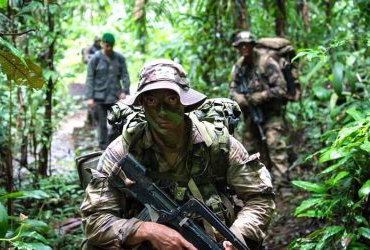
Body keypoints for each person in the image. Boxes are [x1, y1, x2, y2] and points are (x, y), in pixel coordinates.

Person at [81, 59, 275, 249]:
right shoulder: (123, 150)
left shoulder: (218, 144)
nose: (161, 111)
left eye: (171, 99)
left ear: (184, 102)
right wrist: (146, 230)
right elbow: (95, 220)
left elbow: (259, 198)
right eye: (151, 100)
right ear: (142, 104)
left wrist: (237, 237)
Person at [230, 31, 291, 182]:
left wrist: (261, 96)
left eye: (247, 45)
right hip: (251, 114)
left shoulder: (266, 62)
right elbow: (233, 89)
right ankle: (258, 183)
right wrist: (239, 98)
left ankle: (283, 185)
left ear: (253, 46)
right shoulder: (239, 66)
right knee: (249, 150)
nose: (244, 48)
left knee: (275, 146)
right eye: (241, 46)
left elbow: (281, 89)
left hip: (271, 113)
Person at [85, 32, 130, 150]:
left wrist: (124, 91)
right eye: (106, 45)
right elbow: (90, 78)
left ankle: (114, 147)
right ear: (102, 44)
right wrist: (89, 97)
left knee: (117, 123)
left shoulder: (119, 58)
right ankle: (103, 148)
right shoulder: (95, 59)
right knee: (101, 125)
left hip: (115, 96)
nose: (108, 48)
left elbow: (125, 75)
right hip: (99, 97)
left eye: (111, 45)